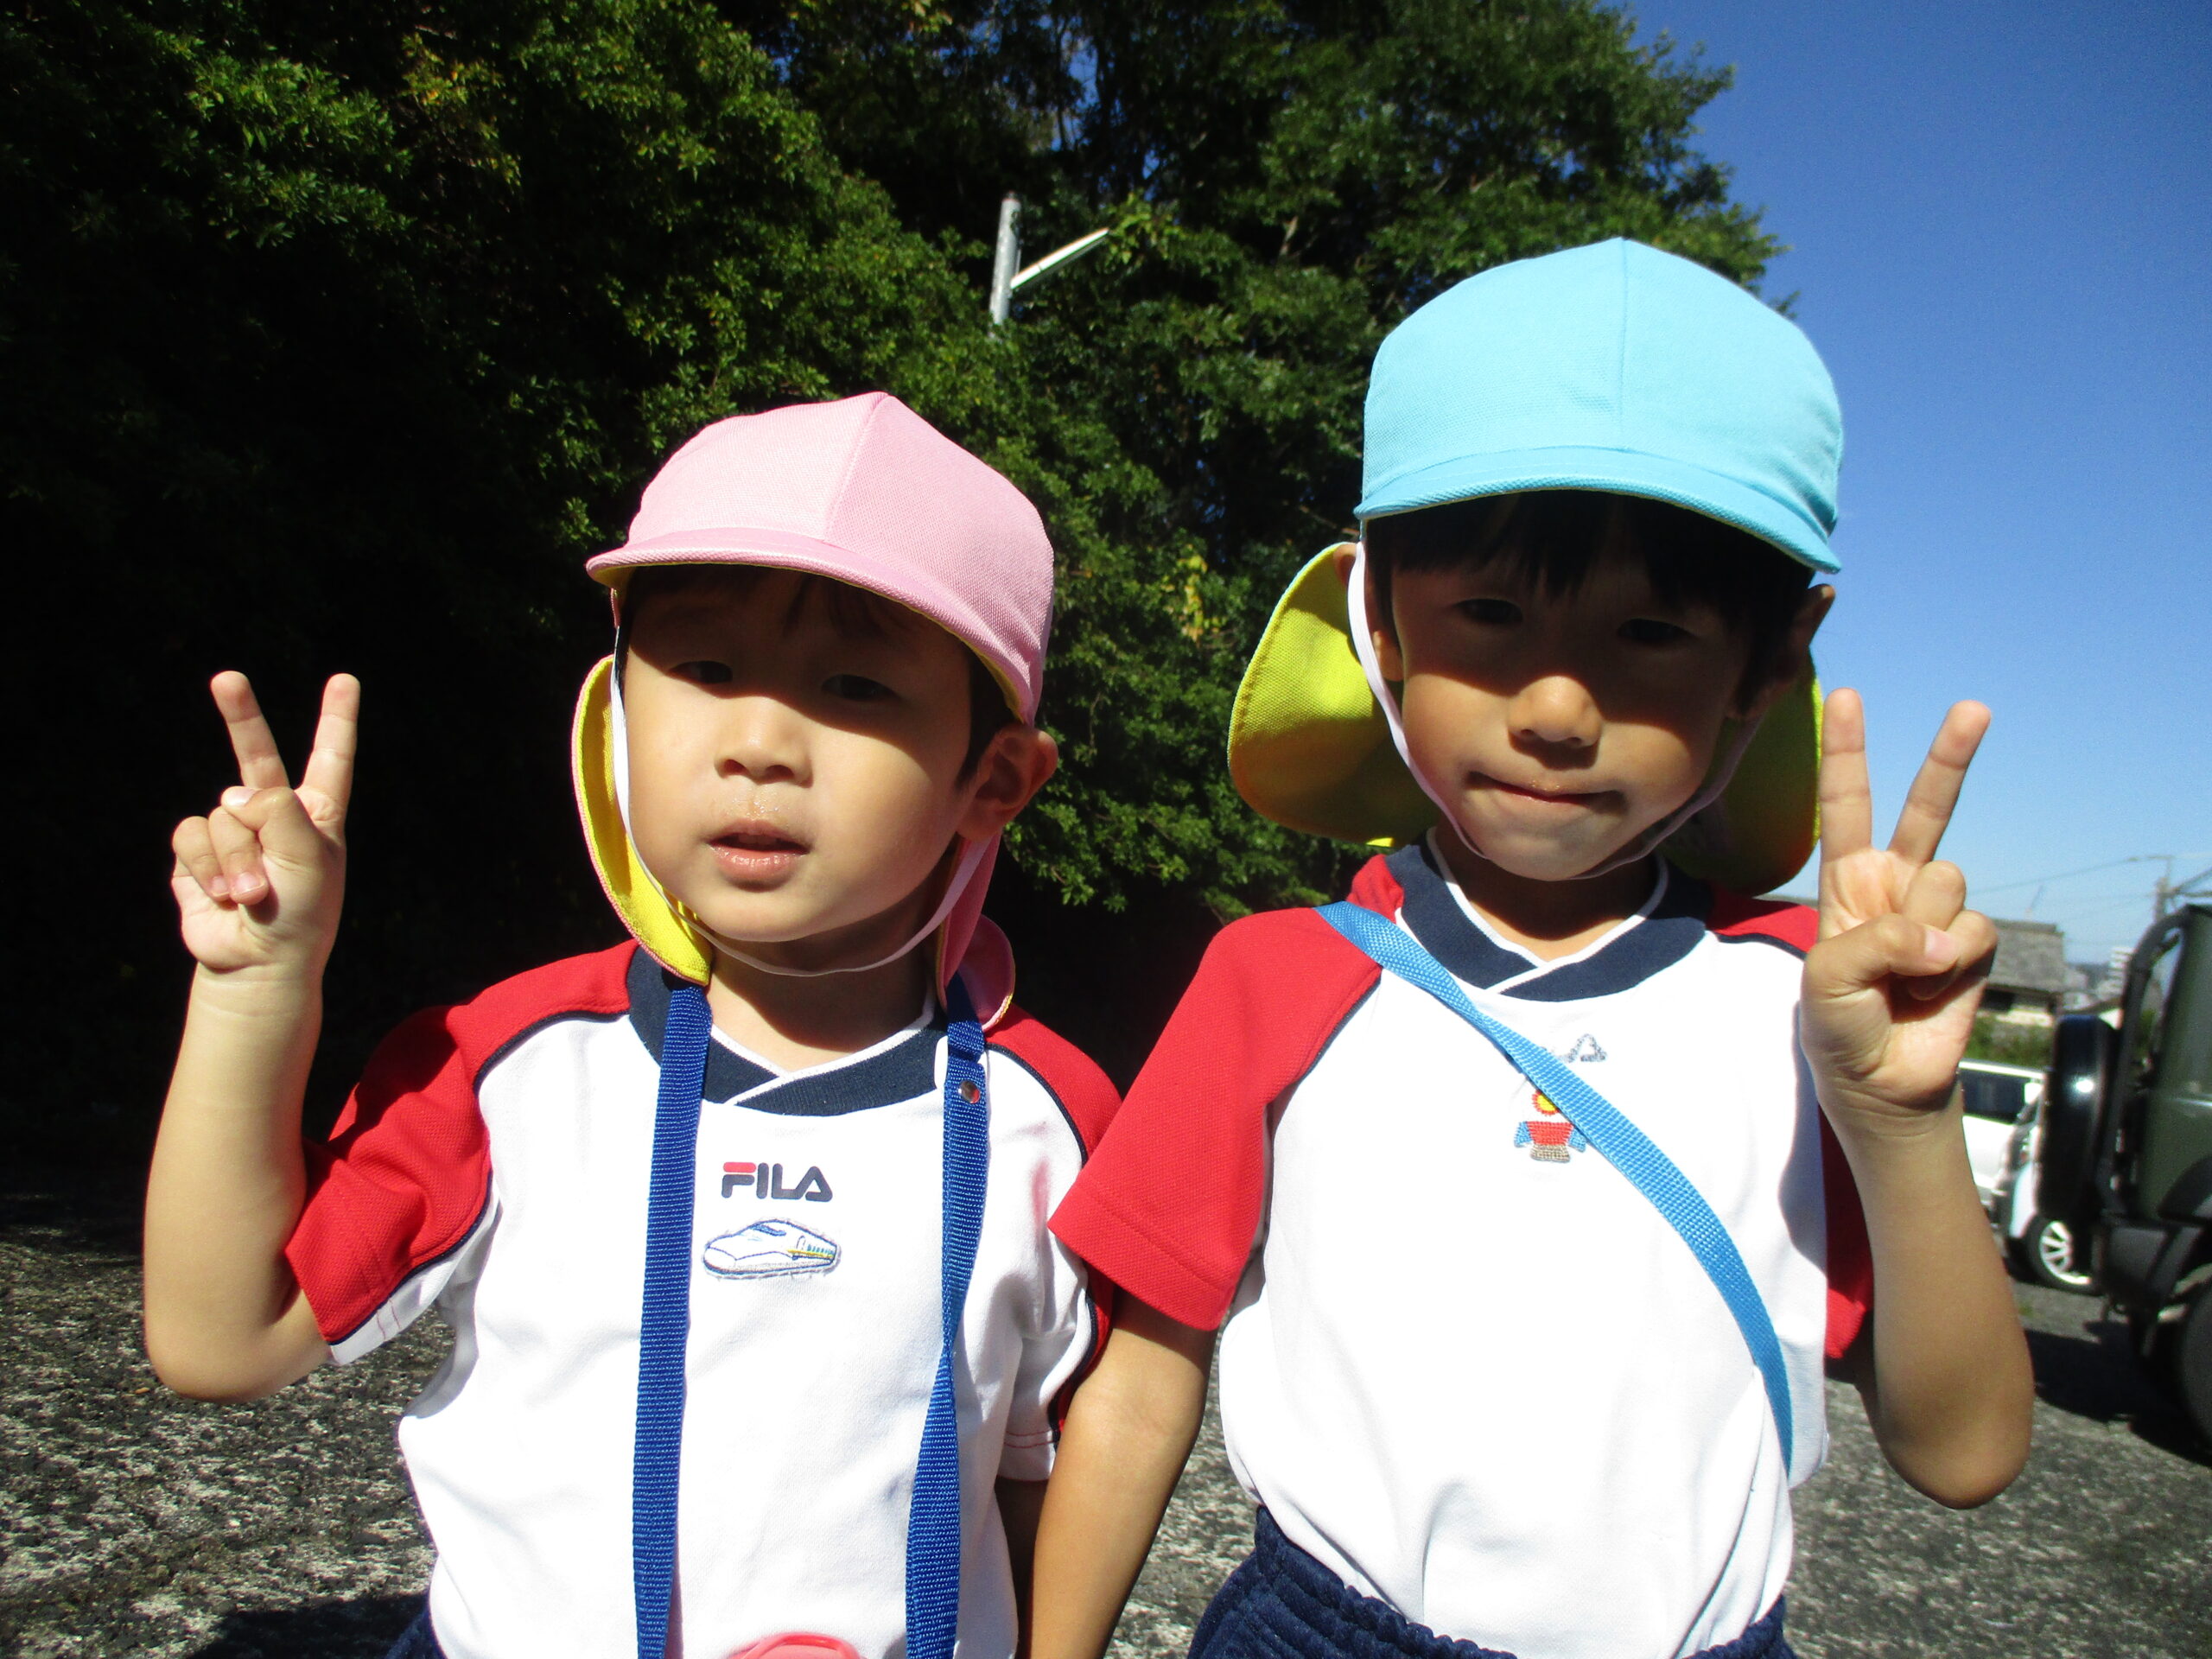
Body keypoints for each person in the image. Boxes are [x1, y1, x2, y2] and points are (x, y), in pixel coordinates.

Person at [1028, 240, 2034, 1659]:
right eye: (1492, 615)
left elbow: (1966, 1452)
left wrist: (1902, 1119)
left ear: (1768, 664)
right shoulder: (1275, 980)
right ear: (1380, 617)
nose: (1558, 709)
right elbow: (1140, 1390)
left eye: (1652, 631)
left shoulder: (1813, 1011)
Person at [143, 393, 1119, 1659]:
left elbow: (1044, 1472)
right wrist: (256, 987)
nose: (758, 743)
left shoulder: (1054, 1127)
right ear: (614, 710)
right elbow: (222, 1338)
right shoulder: (513, 1068)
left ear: (993, 780)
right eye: (704, 668)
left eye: (853, 685)